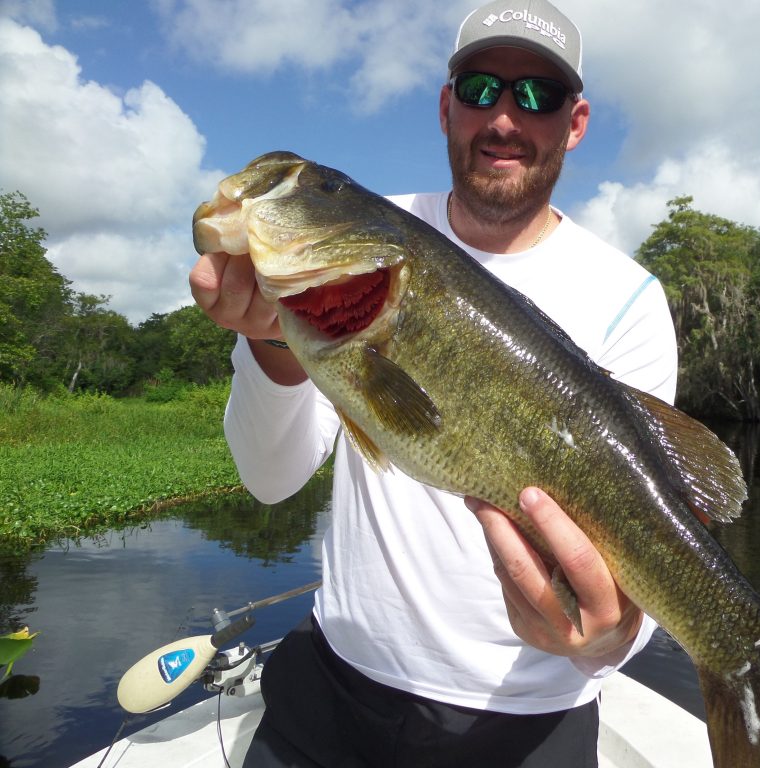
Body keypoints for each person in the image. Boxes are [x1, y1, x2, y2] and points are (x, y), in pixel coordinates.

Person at [189, 1, 678, 766]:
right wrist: (271, 343)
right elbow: (269, 480)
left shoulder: (630, 297)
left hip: (532, 722)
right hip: (333, 695)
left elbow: (655, 525)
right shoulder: (374, 246)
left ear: (575, 122)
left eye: (538, 96)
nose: (506, 118)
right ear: (447, 108)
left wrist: (618, 634)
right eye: (482, 89)